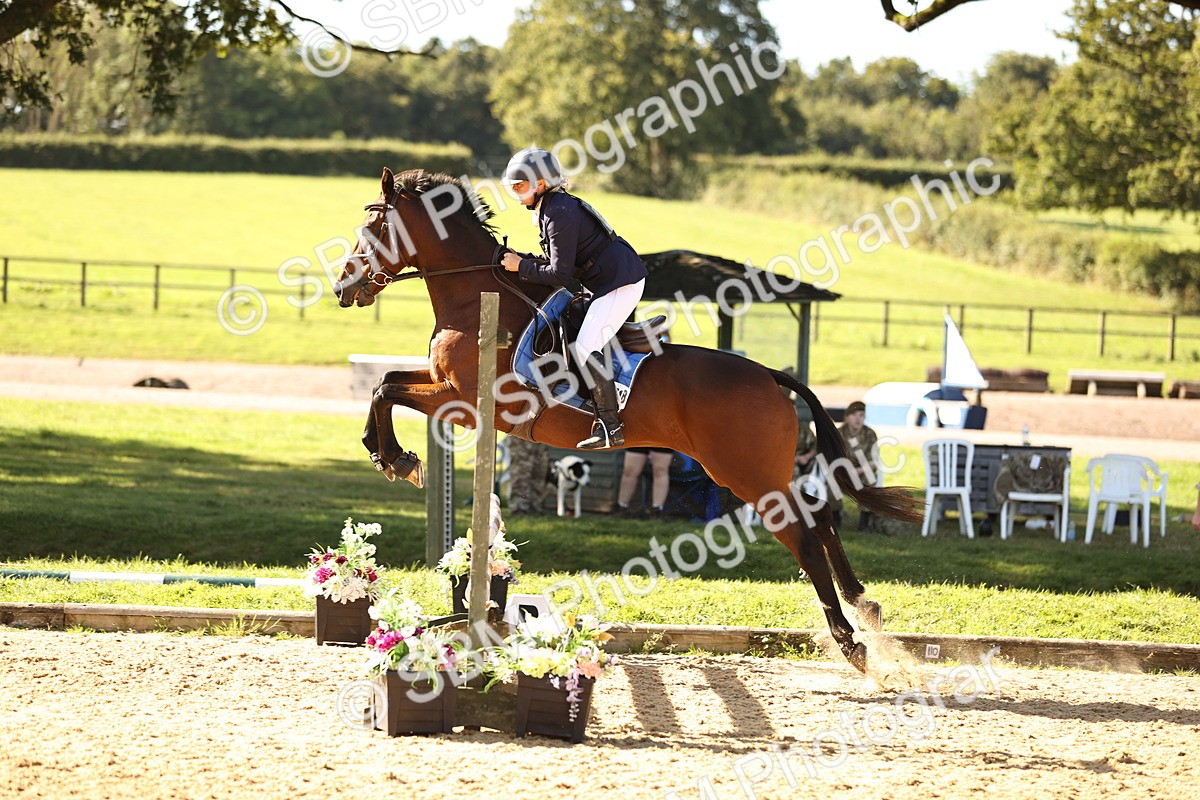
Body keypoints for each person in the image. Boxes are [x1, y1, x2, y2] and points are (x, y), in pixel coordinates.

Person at [500, 147, 648, 450]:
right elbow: (551, 261)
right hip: (606, 282)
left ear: (540, 183)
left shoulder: (558, 211)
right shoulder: (551, 207)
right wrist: (520, 261)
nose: (515, 193)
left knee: (584, 348)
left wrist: (520, 267)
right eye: (512, 187)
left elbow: (558, 275)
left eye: (520, 185)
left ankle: (610, 426)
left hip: (620, 283)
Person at [837, 400, 881, 531]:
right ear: (847, 417)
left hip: (861, 473)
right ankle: (834, 518)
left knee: (870, 479)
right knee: (830, 480)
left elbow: (874, 462)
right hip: (841, 473)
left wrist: (857, 471)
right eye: (854, 415)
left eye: (861, 415)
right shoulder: (839, 433)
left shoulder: (869, 435)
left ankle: (865, 521)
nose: (857, 419)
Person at [615, 447, 673, 517]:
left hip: (662, 438)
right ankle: (621, 507)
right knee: (629, 470)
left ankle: (657, 510)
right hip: (640, 437)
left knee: (660, 470)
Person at [505, 435, 550, 515]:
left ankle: (535, 506)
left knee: (539, 469)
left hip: (539, 431)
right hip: (520, 430)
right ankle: (518, 507)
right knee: (520, 470)